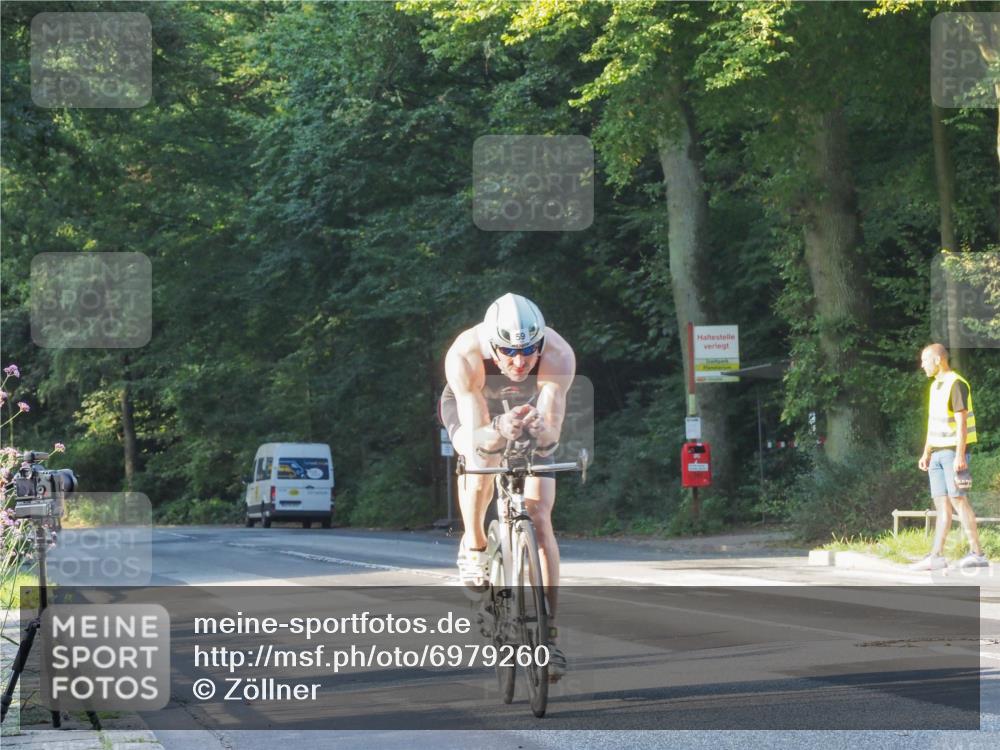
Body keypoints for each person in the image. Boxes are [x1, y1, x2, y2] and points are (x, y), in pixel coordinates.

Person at [438, 293, 576, 679]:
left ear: (541, 344)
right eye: (509, 353)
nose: (519, 362)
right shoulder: (465, 354)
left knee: (539, 514)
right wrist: (499, 429)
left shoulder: (559, 355)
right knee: (480, 459)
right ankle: (476, 543)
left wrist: (538, 431)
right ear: (492, 346)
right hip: (476, 407)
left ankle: (548, 637)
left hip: (529, 408)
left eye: (529, 352)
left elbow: (550, 438)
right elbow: (480, 437)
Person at [910, 343, 989, 570]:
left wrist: (960, 455)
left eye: (925, 360)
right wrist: (926, 451)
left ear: (937, 360)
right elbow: (932, 423)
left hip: (953, 452)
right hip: (936, 453)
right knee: (941, 504)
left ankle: (978, 553)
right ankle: (936, 556)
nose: (922, 365)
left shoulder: (956, 383)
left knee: (958, 501)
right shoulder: (936, 386)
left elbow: (962, 422)